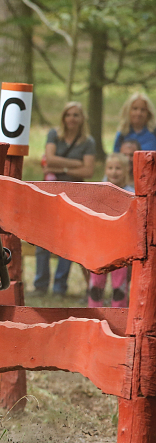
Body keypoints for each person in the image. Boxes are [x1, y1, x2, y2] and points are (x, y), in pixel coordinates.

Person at [32, 101, 96, 296]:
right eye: (68, 114)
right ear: (63, 117)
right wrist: (75, 164)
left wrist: (63, 168)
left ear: (82, 118)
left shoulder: (88, 142)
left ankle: (60, 287)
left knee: (67, 242)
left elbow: (89, 170)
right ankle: (40, 285)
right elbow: (48, 159)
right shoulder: (54, 135)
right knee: (42, 239)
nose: (72, 118)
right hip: (50, 193)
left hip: (74, 195)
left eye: (76, 115)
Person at [88, 153, 134, 307]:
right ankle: (93, 315)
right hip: (100, 244)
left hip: (121, 245)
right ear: (105, 170)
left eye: (118, 168)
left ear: (127, 170)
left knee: (119, 283)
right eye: (111, 168)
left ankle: (118, 313)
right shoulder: (100, 191)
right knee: (96, 281)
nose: (114, 171)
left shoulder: (131, 193)